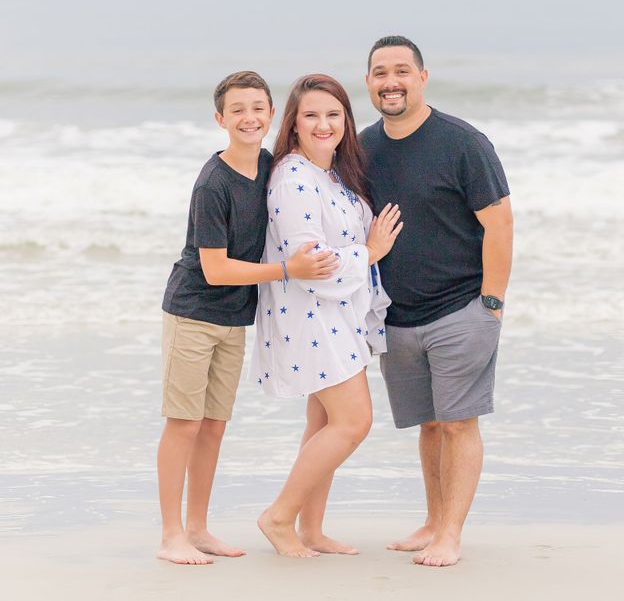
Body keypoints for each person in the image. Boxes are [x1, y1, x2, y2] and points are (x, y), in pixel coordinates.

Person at [157, 71, 337, 565]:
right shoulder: (213, 184)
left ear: (272, 114)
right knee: (184, 424)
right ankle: (171, 535)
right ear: (221, 119)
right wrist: (288, 270)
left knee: (214, 426)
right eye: (237, 110)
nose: (249, 117)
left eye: (258, 108)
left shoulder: (269, 166)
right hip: (193, 313)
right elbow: (215, 270)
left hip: (235, 318)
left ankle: (198, 529)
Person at [360, 36, 514, 567]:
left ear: (422, 77)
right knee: (428, 424)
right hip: (396, 316)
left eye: (402, 71)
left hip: (461, 308)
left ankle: (450, 534)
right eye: (381, 73)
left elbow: (499, 224)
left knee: (458, 422)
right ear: (368, 83)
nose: (391, 82)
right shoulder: (363, 148)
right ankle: (432, 522)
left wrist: (491, 303)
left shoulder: (463, 143)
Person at [250, 74, 402, 558]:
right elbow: (310, 263)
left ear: (346, 121)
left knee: (323, 423)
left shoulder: (334, 173)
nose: (323, 124)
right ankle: (278, 517)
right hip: (311, 314)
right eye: (311, 115)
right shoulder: (293, 177)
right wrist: (370, 251)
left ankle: (311, 529)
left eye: (333, 114)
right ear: (293, 124)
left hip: (340, 314)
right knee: (354, 421)